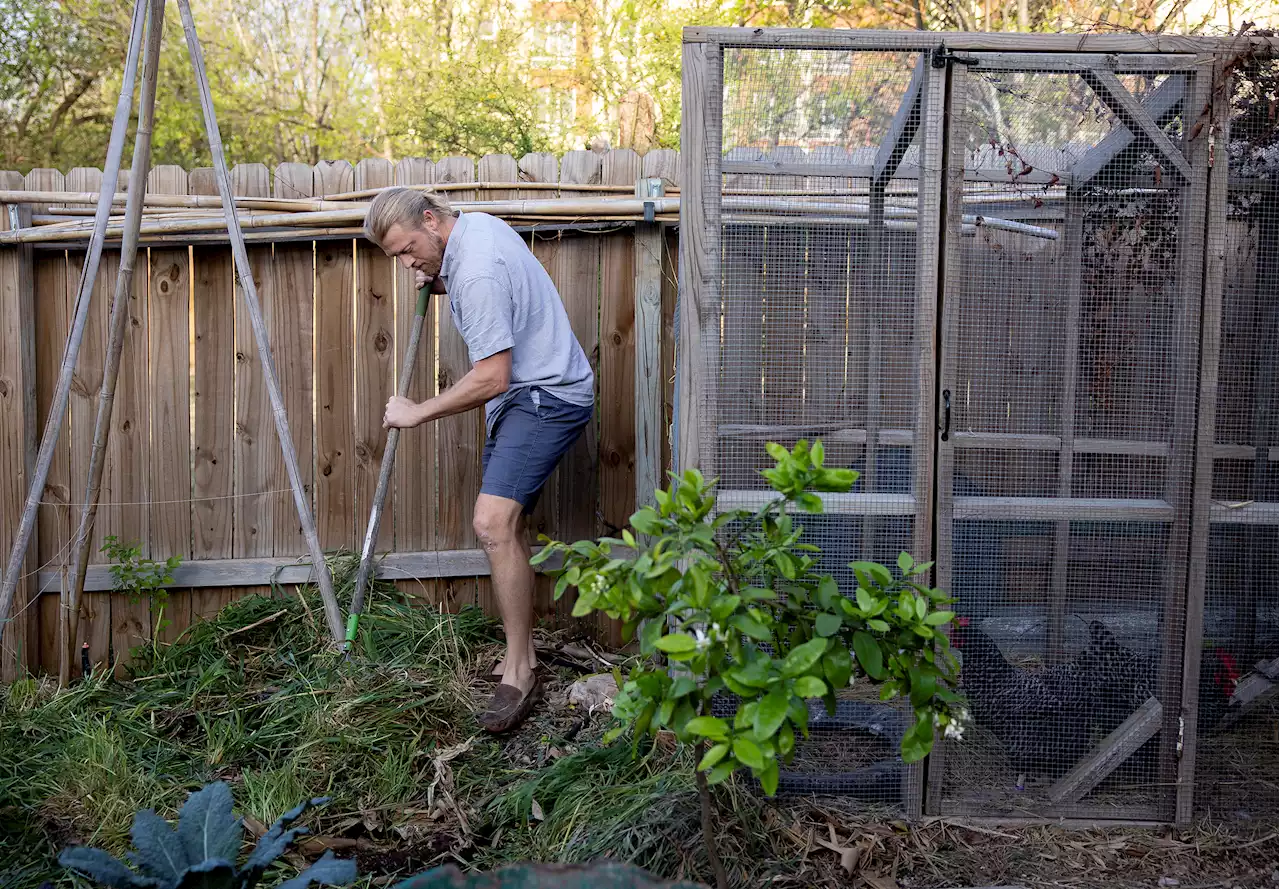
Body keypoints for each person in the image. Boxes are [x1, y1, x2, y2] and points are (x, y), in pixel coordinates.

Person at [363, 187, 595, 733]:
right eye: (398, 256)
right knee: (505, 526)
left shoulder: (478, 270)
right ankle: (525, 654)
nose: (406, 263)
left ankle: (519, 670)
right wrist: (440, 282)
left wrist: (417, 412)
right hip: (528, 396)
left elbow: (493, 377)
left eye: (407, 249)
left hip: (545, 397)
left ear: (430, 220)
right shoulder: (475, 232)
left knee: (492, 523)